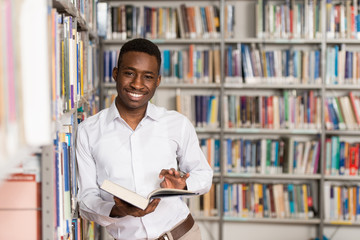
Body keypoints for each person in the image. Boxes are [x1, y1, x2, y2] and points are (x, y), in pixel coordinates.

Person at [76, 38, 213, 240]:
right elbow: (86, 200)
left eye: (147, 77)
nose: (137, 84)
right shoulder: (88, 131)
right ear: (115, 74)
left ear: (157, 81)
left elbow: (204, 176)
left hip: (181, 234)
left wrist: (182, 186)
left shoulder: (177, 123)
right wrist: (118, 210)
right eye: (129, 73)